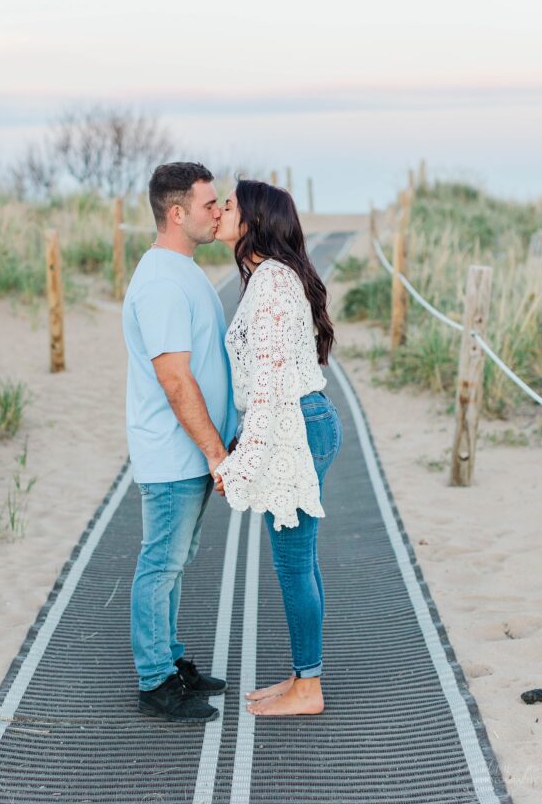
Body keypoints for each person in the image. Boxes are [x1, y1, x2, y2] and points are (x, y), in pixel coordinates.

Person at [214, 178, 343, 716]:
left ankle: (307, 688)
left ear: (253, 221)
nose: (220, 210)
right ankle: (301, 677)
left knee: (293, 564)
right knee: (300, 560)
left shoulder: (269, 284)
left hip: (294, 424)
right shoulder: (271, 278)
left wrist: (238, 463)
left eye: (230, 205)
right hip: (302, 418)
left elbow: (266, 390)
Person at [122, 162, 237, 722]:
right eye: (208, 204)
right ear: (176, 212)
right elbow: (174, 378)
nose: (219, 211)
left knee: (176, 559)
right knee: (160, 563)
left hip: (190, 451)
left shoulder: (185, 269)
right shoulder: (163, 280)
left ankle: (169, 660)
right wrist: (216, 451)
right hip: (173, 452)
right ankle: (154, 681)